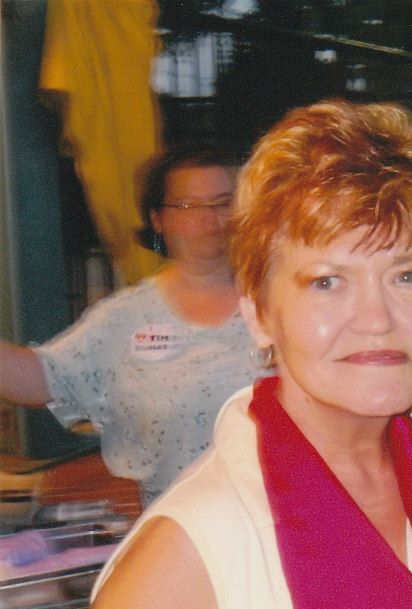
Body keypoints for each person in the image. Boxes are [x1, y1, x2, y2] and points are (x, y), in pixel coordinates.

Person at [75, 100, 412, 609]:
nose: (377, 318)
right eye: (327, 282)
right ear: (259, 313)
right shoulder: (194, 548)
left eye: (406, 275)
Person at [0, 144, 268, 506]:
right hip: (172, 522)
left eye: (223, 203)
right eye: (189, 206)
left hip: (285, 517)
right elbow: (43, 378)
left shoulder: (282, 301)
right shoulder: (125, 318)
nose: (210, 220)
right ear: (158, 219)